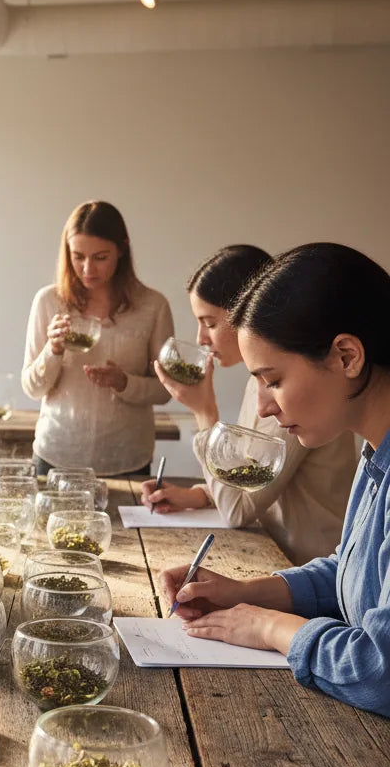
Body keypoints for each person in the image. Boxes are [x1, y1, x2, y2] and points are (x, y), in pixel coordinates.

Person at [163, 244, 390, 717]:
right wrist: (245, 593)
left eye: (274, 380)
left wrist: (269, 628)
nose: (264, 407)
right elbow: (352, 574)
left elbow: (379, 673)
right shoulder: (375, 454)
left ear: (347, 356)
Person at [142, 245, 356, 564]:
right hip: (277, 554)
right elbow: (251, 475)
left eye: (209, 322)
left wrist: (204, 413)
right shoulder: (259, 385)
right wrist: (199, 495)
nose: (200, 338)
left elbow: (238, 511)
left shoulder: (289, 393)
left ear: (247, 313)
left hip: (307, 566)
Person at [21, 200, 174, 476]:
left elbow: (165, 391)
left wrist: (124, 382)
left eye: (100, 257)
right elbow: (32, 389)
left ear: (122, 249)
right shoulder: (48, 301)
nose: (88, 269)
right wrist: (53, 350)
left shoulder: (153, 306)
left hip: (127, 458)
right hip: (56, 454)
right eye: (78, 256)